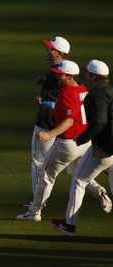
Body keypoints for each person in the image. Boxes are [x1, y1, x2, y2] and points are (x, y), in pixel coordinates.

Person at [16, 60, 108, 222]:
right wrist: (51, 110)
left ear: (71, 76)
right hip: (84, 142)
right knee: (78, 172)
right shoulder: (82, 90)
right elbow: (76, 114)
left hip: (67, 144)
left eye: (61, 76)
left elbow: (69, 120)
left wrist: (50, 134)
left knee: (46, 176)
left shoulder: (67, 93)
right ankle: (97, 189)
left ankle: (34, 212)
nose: (58, 78)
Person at [52, 60, 113, 236]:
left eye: (87, 73)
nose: (85, 75)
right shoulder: (110, 90)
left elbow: (100, 122)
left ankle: (69, 225)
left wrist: (84, 137)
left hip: (104, 148)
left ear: (93, 77)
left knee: (78, 180)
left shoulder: (96, 94)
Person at [26, 36, 70, 207]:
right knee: (75, 167)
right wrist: (44, 79)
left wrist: (41, 101)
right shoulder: (67, 71)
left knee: (39, 161)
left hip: (46, 124)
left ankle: (37, 201)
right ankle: (96, 189)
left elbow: (54, 102)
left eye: (51, 49)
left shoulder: (54, 74)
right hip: (63, 125)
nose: (47, 51)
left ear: (59, 53)